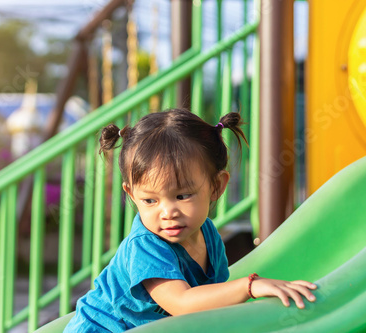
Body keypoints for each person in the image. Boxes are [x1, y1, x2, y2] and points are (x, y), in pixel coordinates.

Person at [64, 109, 317, 332]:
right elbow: (182, 303)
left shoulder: (208, 234)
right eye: (150, 201)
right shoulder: (146, 246)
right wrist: (250, 286)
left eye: (182, 196)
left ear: (216, 186)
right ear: (131, 194)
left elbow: (208, 305)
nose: (167, 212)